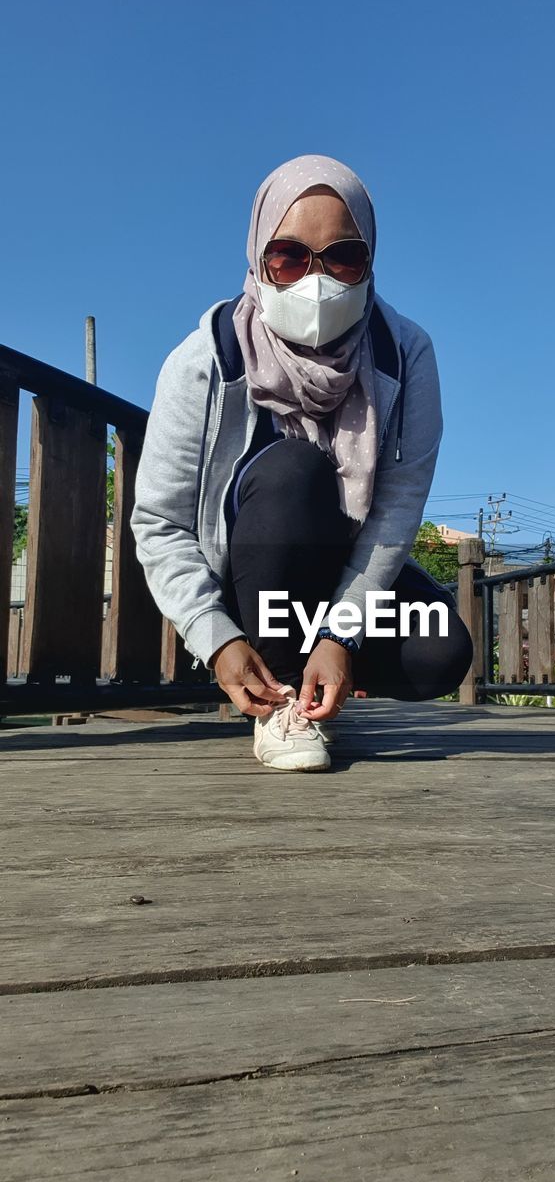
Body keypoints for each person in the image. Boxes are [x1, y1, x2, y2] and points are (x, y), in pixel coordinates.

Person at [131, 153, 473, 771]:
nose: (317, 281)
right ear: (258, 258)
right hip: (243, 587)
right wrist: (216, 637)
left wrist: (342, 632)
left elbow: (397, 507)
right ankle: (280, 701)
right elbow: (159, 521)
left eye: (344, 257)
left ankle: (323, 673)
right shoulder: (204, 360)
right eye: (287, 257)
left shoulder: (406, 353)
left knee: (438, 651)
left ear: (371, 260)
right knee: (295, 468)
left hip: (335, 570)